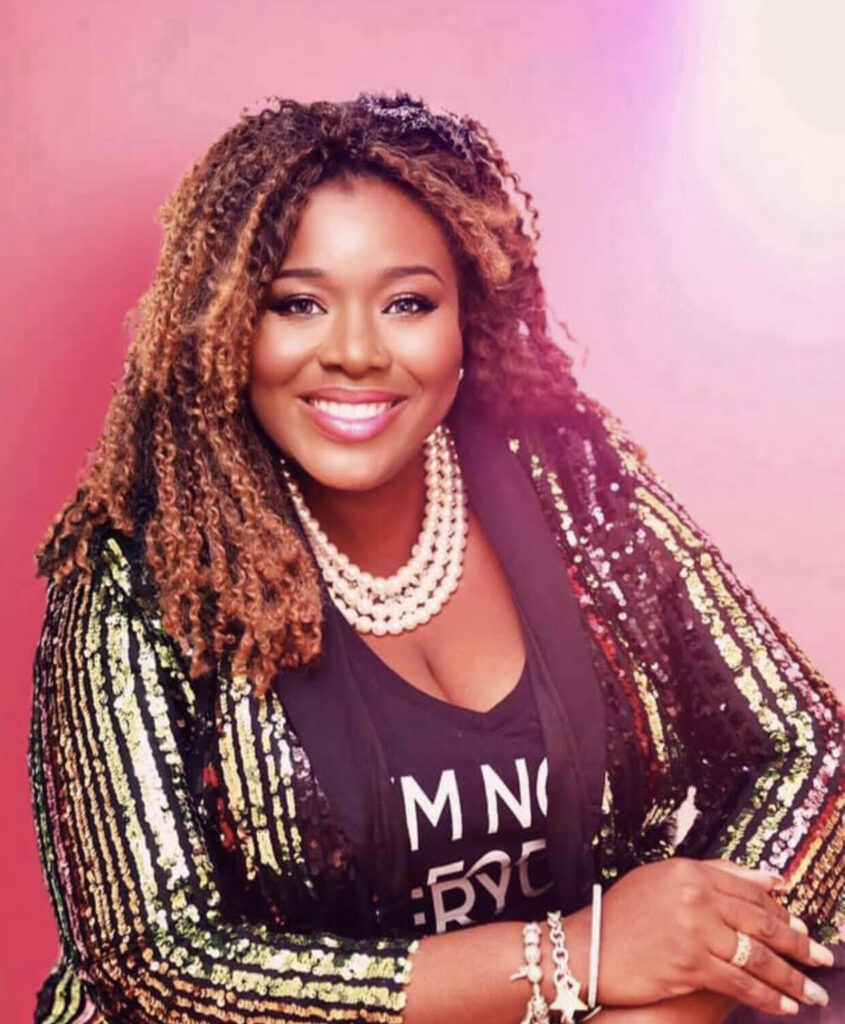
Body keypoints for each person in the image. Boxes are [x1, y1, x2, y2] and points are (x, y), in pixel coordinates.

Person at [28, 91, 843, 1024]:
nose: (355, 352)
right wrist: (571, 958)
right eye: (297, 304)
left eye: (408, 302)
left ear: (470, 318)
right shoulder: (142, 577)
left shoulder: (567, 485)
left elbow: (816, 754)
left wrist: (682, 994)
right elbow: (157, 962)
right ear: (225, 328)